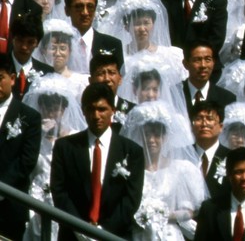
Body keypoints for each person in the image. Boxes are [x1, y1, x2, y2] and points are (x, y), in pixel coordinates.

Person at [50, 82, 145, 240]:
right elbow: (59, 192)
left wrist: (102, 232)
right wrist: (80, 229)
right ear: (83, 111)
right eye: (91, 109)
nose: (96, 116)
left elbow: (131, 199)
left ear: (112, 111)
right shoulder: (65, 147)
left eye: (102, 109)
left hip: (114, 235)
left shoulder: (132, 151)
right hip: (73, 235)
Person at [120, 100, 207, 240]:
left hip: (169, 235)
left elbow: (190, 211)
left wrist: (162, 215)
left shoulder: (181, 169)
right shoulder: (129, 170)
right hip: (139, 235)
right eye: (147, 134)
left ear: (165, 137)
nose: (151, 140)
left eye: (157, 135)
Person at [0, 51, 41, 240]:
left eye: (0, 78)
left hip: (10, 202)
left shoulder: (29, 117)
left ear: (13, 79)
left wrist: (2, 189)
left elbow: (26, 161)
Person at [190, 100, 230, 199]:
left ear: (221, 127)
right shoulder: (182, 154)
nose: (204, 124)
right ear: (192, 126)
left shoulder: (230, 156)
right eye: (199, 119)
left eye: (209, 118)